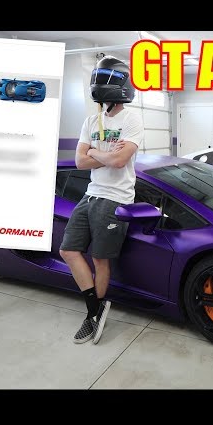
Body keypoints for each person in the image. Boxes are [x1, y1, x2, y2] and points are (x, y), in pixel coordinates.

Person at [59, 56, 144, 345]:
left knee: (99, 258)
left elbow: (120, 162)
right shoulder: (91, 121)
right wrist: (103, 154)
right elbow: (79, 162)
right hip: (92, 193)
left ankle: (92, 316)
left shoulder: (131, 119)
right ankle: (95, 307)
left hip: (116, 197)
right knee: (68, 251)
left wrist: (94, 151)